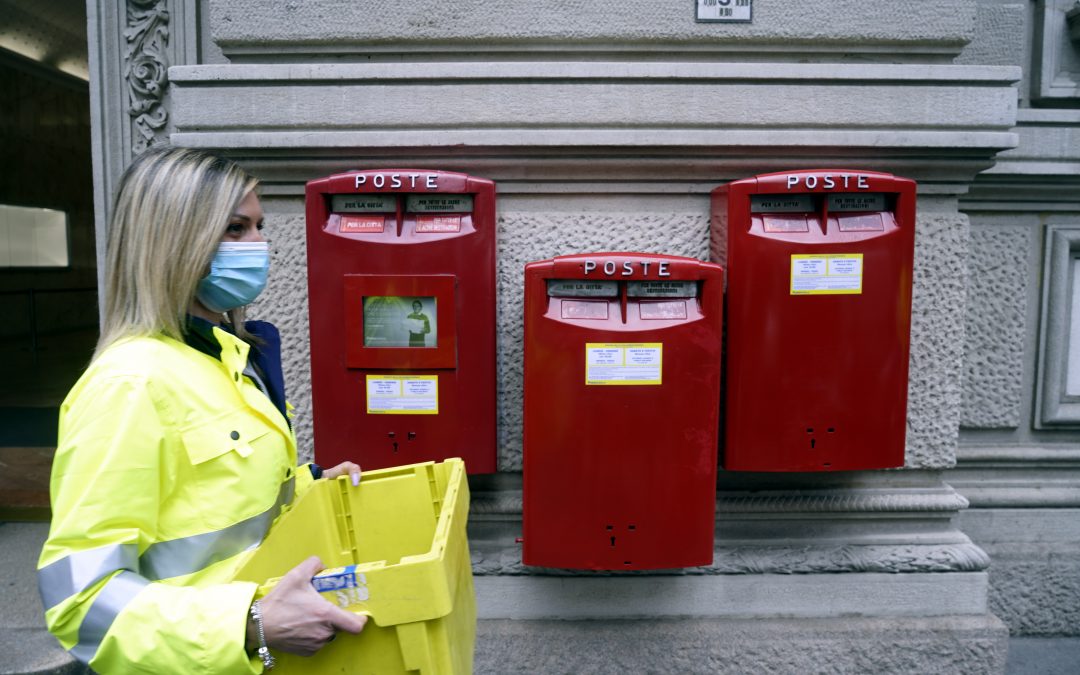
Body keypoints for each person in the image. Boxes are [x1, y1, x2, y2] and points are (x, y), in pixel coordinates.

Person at [36, 146, 367, 673]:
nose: (259, 246)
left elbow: (223, 506)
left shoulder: (228, 355)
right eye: (235, 229)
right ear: (173, 239)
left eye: (258, 227)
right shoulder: (128, 384)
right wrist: (249, 624)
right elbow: (82, 604)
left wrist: (314, 487)